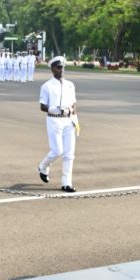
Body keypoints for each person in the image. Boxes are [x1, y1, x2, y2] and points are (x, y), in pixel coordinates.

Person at [37, 55, 78, 192]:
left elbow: (74, 103)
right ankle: (43, 166)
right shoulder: (46, 86)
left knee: (69, 153)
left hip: (68, 119)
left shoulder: (70, 85)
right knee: (57, 151)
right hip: (54, 119)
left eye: (62, 67)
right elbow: (42, 106)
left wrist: (73, 112)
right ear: (52, 69)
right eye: (58, 67)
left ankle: (66, 183)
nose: (61, 70)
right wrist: (52, 108)